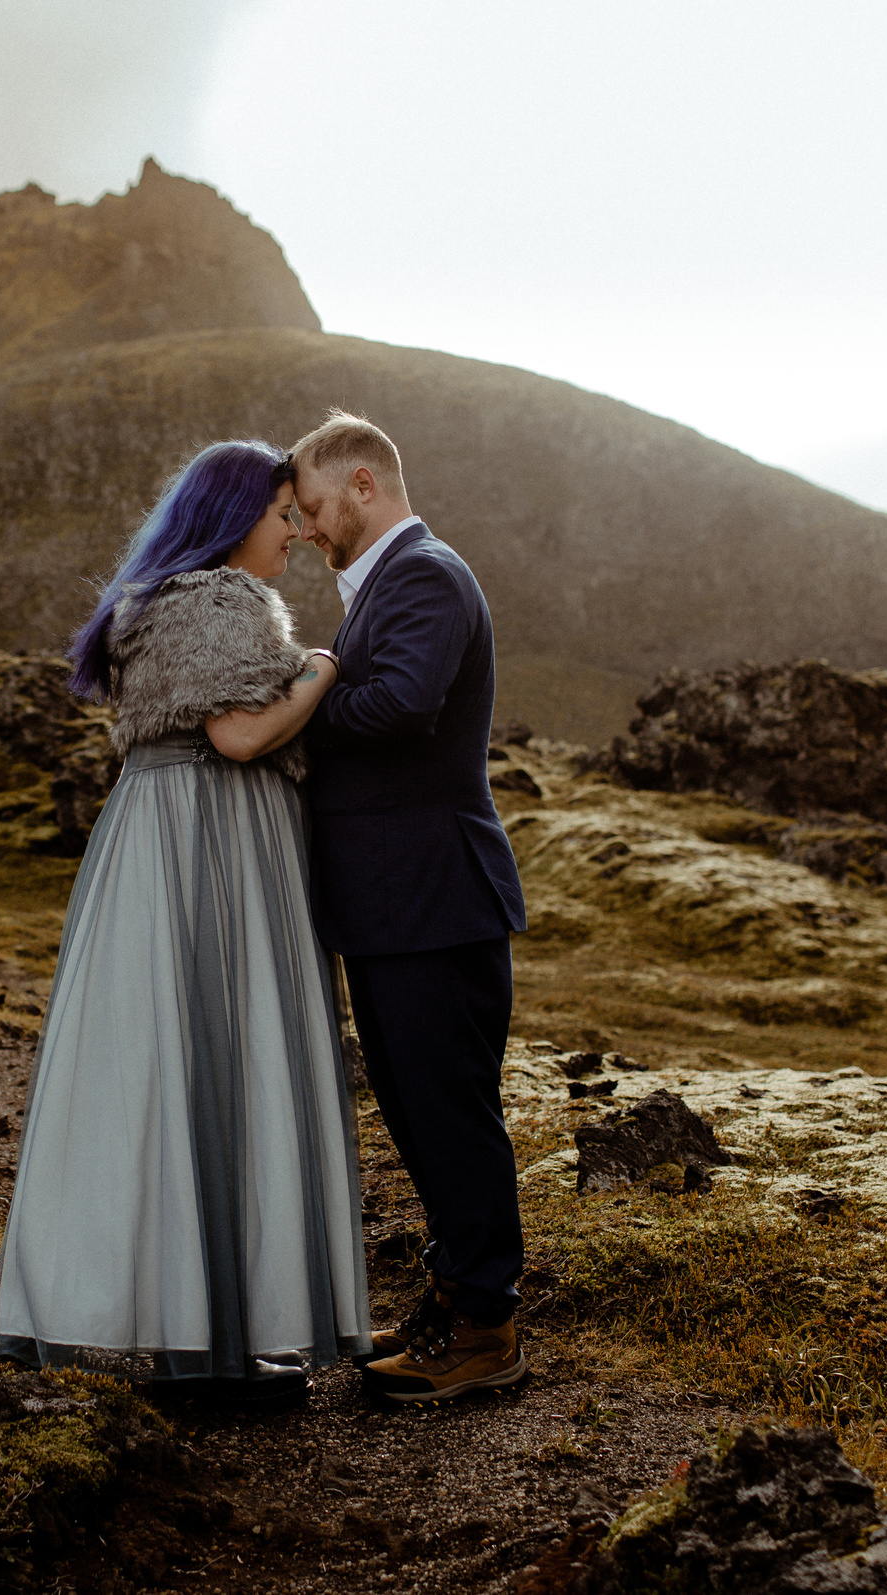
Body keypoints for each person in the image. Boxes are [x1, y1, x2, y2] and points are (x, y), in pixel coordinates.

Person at [0, 439, 369, 1395]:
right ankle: (217, 1342)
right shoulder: (215, 601)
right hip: (210, 842)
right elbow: (239, 733)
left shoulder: (173, 600)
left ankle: (198, 1326)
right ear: (234, 514)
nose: (295, 529)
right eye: (282, 512)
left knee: (171, 1064)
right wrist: (322, 666)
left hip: (168, 837)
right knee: (224, 1056)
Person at [289, 408, 530, 1404]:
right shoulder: (386, 580)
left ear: (359, 485)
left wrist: (292, 695)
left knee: (450, 1117)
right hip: (397, 906)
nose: (300, 529)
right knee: (420, 1116)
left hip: (432, 899)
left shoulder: (423, 573)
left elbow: (397, 704)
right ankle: (455, 1298)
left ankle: (484, 1330)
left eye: (308, 508)